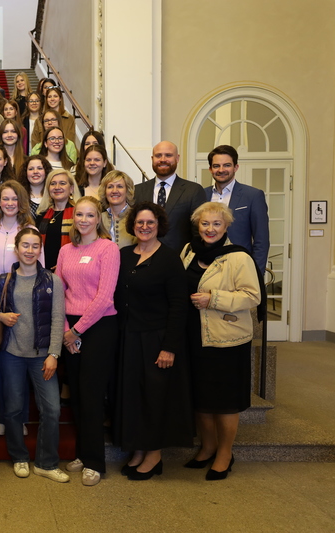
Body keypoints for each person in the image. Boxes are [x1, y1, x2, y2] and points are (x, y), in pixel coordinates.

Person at [181, 202, 262, 480]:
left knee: (225, 400)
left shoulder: (239, 257)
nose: (210, 229)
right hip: (194, 335)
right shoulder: (189, 251)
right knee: (201, 397)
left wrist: (213, 298)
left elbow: (253, 296)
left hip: (226, 339)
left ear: (226, 226)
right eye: (205, 223)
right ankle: (207, 447)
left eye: (217, 224)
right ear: (198, 225)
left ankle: (225, 454)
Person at [114, 201, 193, 480]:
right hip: (128, 338)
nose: (144, 227)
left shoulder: (169, 259)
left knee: (154, 398)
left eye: (150, 223)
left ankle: (154, 454)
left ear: (159, 225)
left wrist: (169, 347)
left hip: (156, 339)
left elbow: (178, 305)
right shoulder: (123, 255)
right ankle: (138, 449)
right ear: (132, 226)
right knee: (133, 397)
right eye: (139, 223)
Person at [0, 228, 68, 483]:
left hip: (42, 356)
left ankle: (46, 463)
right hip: (11, 354)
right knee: (13, 409)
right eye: (24, 245)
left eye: (34, 246)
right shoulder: (4, 280)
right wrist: (0, 316)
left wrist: (54, 355)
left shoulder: (52, 280)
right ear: (16, 248)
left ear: (40, 250)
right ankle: (19, 457)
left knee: (52, 409)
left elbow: (58, 319)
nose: (29, 250)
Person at [57, 196, 120, 486]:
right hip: (69, 327)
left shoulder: (108, 248)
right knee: (78, 395)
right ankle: (83, 452)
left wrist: (76, 331)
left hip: (98, 327)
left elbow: (105, 297)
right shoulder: (65, 250)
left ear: (98, 219)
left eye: (89, 215)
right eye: (79, 215)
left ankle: (95, 462)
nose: (83, 220)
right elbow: (60, 292)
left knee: (93, 395)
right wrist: (66, 331)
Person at [0, 181, 36, 435]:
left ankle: (21, 418)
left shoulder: (29, 230)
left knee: (19, 361)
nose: (10, 203)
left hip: (21, 298)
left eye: (15, 199)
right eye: (5, 198)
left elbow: (41, 268)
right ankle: (0, 417)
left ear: (21, 201)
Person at [205, 145, 270, 273]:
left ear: (236, 167)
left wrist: (255, 274)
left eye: (227, 165)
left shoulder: (253, 196)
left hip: (240, 268)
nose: (221, 170)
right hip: (207, 268)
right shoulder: (201, 195)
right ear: (210, 169)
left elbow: (261, 241)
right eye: (216, 166)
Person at [135, 141, 206, 252]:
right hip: (143, 258)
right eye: (158, 155)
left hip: (179, 260)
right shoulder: (137, 191)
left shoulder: (193, 190)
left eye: (168, 155)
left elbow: (199, 231)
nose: (163, 159)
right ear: (152, 159)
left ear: (177, 158)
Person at [35, 168, 79, 271]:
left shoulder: (79, 215)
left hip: (70, 268)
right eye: (53, 184)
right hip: (42, 270)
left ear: (71, 188)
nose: (57, 187)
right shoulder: (41, 215)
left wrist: (64, 264)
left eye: (62, 183)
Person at [98, 170, 136, 248]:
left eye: (119, 186)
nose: (114, 191)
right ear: (105, 191)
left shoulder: (136, 217)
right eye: (110, 187)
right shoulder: (98, 218)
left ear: (127, 190)